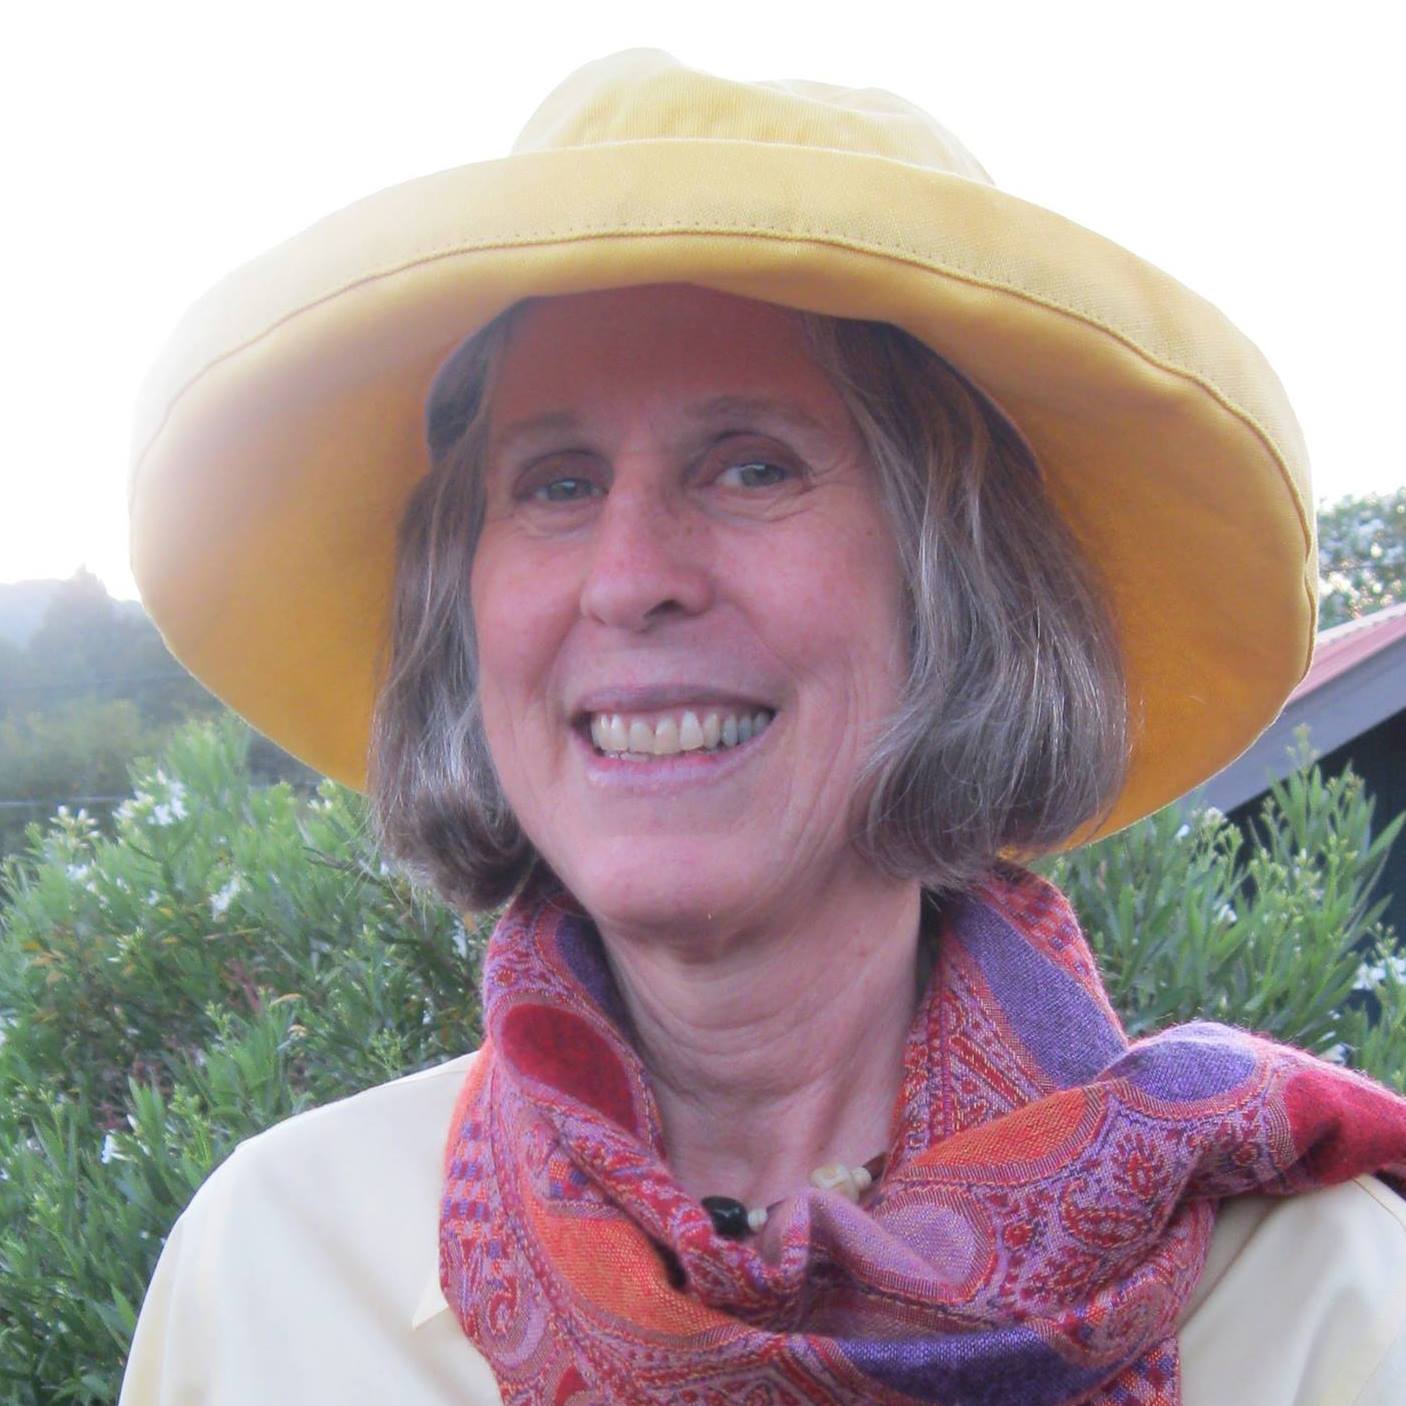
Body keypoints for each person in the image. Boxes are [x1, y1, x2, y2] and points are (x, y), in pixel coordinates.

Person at [119, 50, 1406, 1406]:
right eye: (555, 482)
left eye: (750, 465)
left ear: (958, 581)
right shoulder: (270, 1274)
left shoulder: (1321, 1306)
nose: (628, 578)